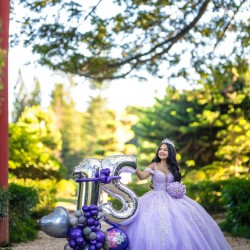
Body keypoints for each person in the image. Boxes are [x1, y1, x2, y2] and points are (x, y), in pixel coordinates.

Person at [122, 138, 231, 250]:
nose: (162, 151)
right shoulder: (153, 165)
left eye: (165, 150)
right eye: (160, 149)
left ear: (170, 153)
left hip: (174, 198)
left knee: (183, 223)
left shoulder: (173, 167)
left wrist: (177, 189)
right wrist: (135, 167)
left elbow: (176, 182)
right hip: (155, 197)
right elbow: (141, 177)